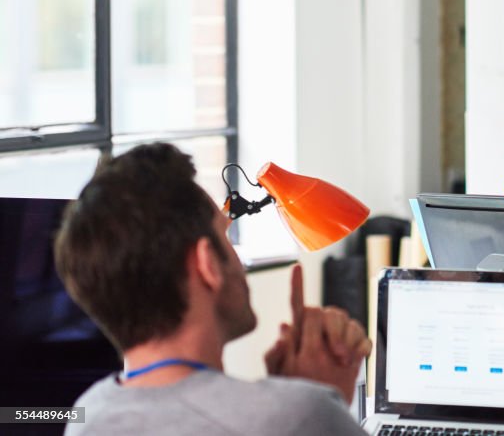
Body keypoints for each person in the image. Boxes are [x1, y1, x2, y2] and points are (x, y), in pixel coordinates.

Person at [56, 143, 370, 436]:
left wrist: (289, 395)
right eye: (225, 237)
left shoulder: (88, 415)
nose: (238, 261)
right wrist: (319, 400)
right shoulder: (298, 416)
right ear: (207, 263)